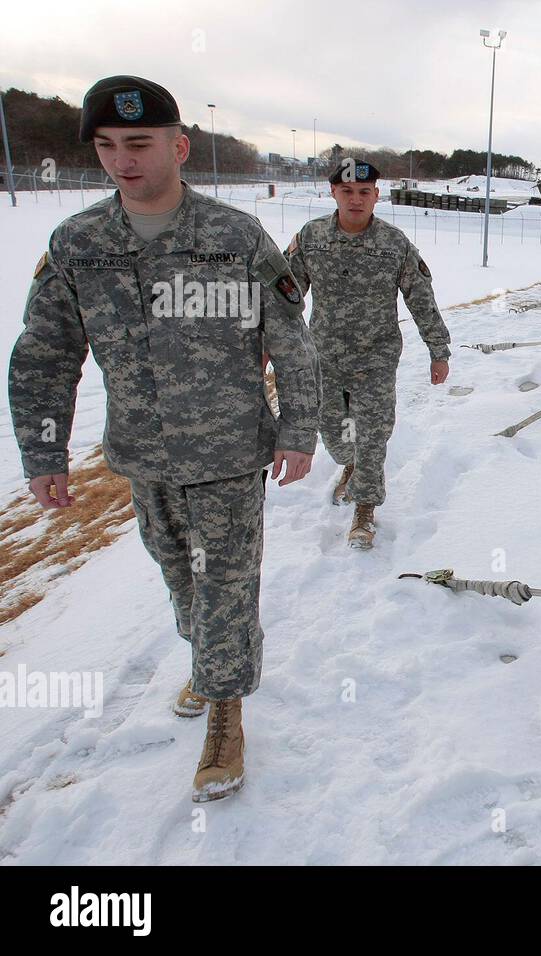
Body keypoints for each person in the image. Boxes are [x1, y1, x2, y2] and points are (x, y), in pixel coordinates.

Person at [7, 75, 321, 802]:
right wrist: (44, 453)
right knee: (181, 577)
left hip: (230, 452)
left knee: (226, 586)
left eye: (140, 144)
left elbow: (292, 341)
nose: (123, 161)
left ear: (179, 145)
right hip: (143, 457)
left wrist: (298, 431)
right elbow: (46, 354)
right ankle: (212, 663)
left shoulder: (234, 237)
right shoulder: (78, 242)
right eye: (109, 146)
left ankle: (225, 713)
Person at [285, 159, 450, 548]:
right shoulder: (311, 237)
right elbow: (286, 294)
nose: (356, 200)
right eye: (347, 192)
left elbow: (421, 298)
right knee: (336, 434)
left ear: (376, 195)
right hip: (325, 357)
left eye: (364, 192)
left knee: (372, 435)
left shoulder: (394, 245)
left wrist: (438, 350)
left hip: (376, 359)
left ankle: (365, 509)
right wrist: (269, 344)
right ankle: (350, 464)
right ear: (334, 194)